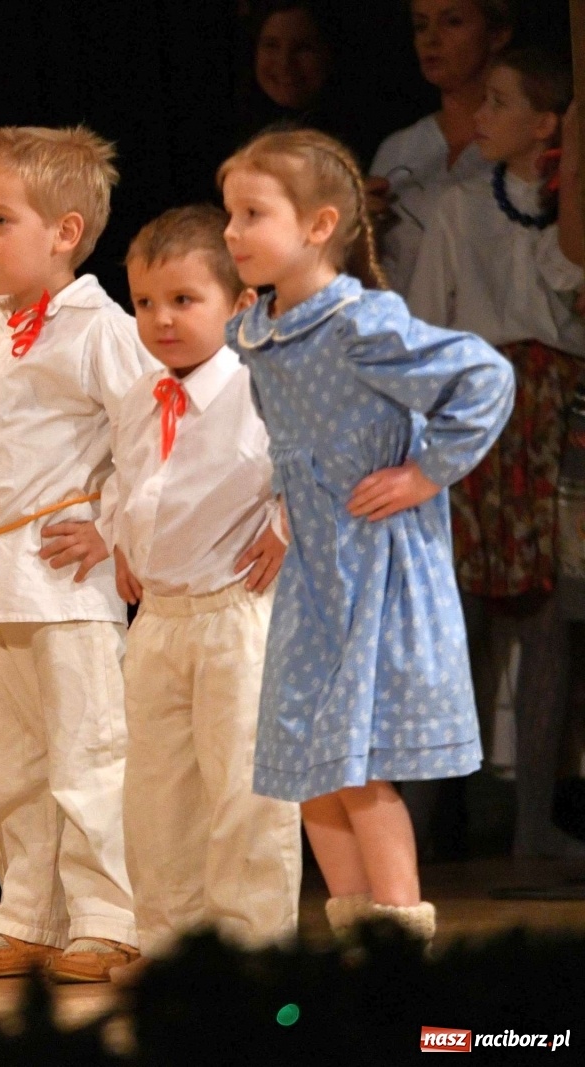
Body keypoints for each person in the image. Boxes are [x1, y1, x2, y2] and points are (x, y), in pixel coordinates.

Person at [219, 128, 513, 944]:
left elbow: (484, 377)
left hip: (376, 566)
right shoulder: (265, 327)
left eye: (253, 214)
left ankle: (397, 945)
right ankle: (358, 940)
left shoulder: (360, 322)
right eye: (229, 214)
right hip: (314, 570)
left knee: (362, 766)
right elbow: (292, 447)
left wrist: (426, 472)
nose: (233, 233)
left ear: (318, 225)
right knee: (309, 765)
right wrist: (284, 518)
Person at [0, 126, 155, 983]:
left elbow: (149, 438)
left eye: (0, 220)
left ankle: (109, 916)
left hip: (69, 583)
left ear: (63, 228)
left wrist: (115, 530)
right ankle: (28, 915)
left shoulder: (100, 328)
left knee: (88, 753)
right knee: (15, 762)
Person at [102, 204, 302, 971]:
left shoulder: (263, 383)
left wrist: (287, 523)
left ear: (241, 302)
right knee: (157, 799)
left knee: (246, 794)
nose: (161, 319)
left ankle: (251, 956)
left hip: (236, 613)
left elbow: (328, 455)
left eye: (185, 301)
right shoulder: (140, 391)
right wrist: (121, 535)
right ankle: (172, 950)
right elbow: (127, 475)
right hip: (159, 618)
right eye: (146, 303)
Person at [407, 50, 584, 858]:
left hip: (555, 414)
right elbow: (425, 321)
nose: (482, 114)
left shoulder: (566, 208)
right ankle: (414, 830)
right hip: (479, 414)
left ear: (547, 123)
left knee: (548, 617)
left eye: (502, 102)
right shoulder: (454, 205)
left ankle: (530, 827)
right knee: (456, 620)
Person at [367, 0, 512, 288]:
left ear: (497, 33)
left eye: (452, 22)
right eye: (421, 26)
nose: (431, 39)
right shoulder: (398, 149)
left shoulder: (521, 142)